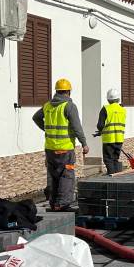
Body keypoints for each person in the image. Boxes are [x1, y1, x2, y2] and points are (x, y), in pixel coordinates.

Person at [32, 78, 88, 211]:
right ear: (68, 92)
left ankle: (53, 203)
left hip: (50, 149)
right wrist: (84, 143)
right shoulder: (69, 106)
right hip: (65, 148)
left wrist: (47, 129)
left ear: (57, 91)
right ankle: (62, 204)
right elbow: (77, 127)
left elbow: (36, 117)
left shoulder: (48, 105)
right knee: (66, 176)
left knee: (54, 176)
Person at [96, 88, 126, 174]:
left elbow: (100, 125)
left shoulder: (105, 109)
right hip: (119, 138)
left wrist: (100, 131)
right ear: (118, 99)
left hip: (109, 139)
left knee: (108, 159)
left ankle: (112, 177)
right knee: (115, 159)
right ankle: (116, 177)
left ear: (108, 99)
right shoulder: (122, 109)